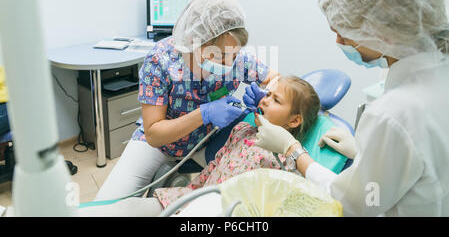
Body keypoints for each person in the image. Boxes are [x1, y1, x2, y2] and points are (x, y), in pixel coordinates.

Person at [249, 0, 449, 216]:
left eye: (345, 31)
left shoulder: (393, 113)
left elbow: (352, 204)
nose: (339, 41)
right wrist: (364, 155)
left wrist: (293, 150)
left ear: (385, 28)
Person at [95, 0, 278, 201]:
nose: (229, 63)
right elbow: (154, 133)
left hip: (207, 142)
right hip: (160, 145)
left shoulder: (236, 57)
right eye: (220, 55)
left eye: (234, 54)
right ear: (194, 42)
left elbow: (274, 79)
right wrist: (204, 114)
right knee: (105, 205)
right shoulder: (161, 59)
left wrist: (266, 94)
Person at [80, 75, 321, 216]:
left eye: (275, 99)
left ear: (295, 120)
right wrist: (186, 196)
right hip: (192, 197)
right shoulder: (242, 130)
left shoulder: (288, 156)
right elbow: (212, 168)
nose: (264, 100)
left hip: (219, 212)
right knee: (125, 208)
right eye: (266, 94)